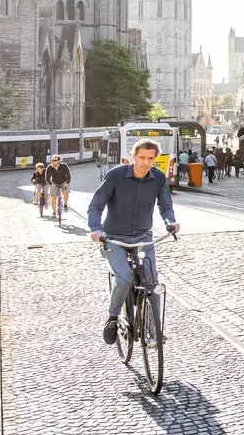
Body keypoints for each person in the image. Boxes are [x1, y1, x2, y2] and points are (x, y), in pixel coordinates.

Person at [88, 139, 180, 345]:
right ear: (133, 156)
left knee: (152, 282)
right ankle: (112, 318)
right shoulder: (116, 175)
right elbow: (96, 206)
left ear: (156, 159)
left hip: (143, 237)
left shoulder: (158, 178)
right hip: (113, 238)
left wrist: (171, 222)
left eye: (151, 159)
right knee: (125, 279)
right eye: (142, 158)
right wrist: (96, 229)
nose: (146, 163)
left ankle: (154, 328)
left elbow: (166, 205)